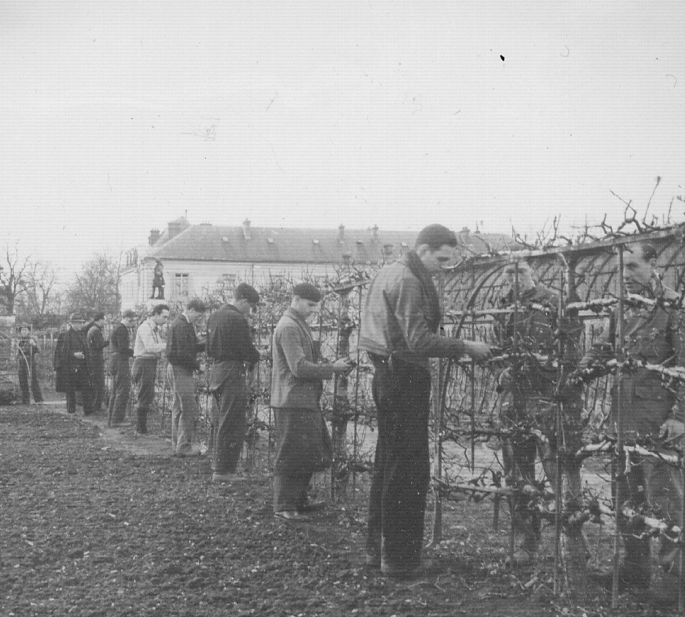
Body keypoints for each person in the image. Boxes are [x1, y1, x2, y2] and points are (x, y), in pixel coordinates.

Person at [358, 224, 492, 579]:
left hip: (386, 374)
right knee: (409, 469)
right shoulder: (408, 280)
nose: (443, 268)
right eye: (441, 259)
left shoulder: (387, 272)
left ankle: (379, 550)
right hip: (404, 376)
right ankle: (401, 561)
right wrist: (463, 346)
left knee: (388, 463)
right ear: (424, 250)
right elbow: (417, 340)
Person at [582, 242, 685, 606]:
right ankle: (634, 569)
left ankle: (675, 586)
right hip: (624, 421)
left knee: (665, 502)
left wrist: (680, 416)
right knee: (627, 499)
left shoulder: (672, 307)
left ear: (654, 264)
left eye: (633, 267)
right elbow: (605, 347)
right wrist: (580, 370)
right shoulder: (622, 308)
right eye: (621, 269)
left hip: (658, 424)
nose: (625, 276)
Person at [494, 260, 585, 567]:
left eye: (520, 271)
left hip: (547, 398)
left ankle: (573, 546)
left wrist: (548, 368)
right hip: (514, 401)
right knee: (518, 474)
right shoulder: (502, 306)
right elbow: (496, 350)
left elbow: (572, 346)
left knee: (557, 469)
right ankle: (525, 543)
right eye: (508, 272)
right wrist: (501, 372)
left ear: (533, 271)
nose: (514, 278)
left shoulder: (554, 301)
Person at [270, 283, 353, 520]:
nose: (312, 311)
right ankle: (285, 506)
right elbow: (298, 367)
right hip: (292, 400)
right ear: (296, 300)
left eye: (316, 307)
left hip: (301, 399)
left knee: (308, 450)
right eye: (310, 305)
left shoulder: (297, 324)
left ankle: (298, 500)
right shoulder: (288, 327)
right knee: (291, 452)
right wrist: (332, 368)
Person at [206, 283, 261, 482]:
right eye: (251, 306)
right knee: (232, 421)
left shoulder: (215, 315)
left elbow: (209, 349)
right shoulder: (238, 319)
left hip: (217, 370)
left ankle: (218, 465)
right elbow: (246, 349)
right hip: (232, 371)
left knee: (222, 419)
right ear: (244, 301)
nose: (250, 311)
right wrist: (257, 356)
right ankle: (223, 471)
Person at [165, 298, 208, 456]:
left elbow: (192, 347)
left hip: (177, 368)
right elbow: (183, 353)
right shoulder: (182, 325)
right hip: (181, 370)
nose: (198, 318)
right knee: (188, 407)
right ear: (190, 309)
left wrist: (207, 343)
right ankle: (184, 447)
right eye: (198, 314)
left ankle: (177, 444)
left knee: (178, 406)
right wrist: (198, 366)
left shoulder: (182, 323)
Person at [132, 304, 170, 434]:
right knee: (144, 393)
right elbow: (150, 347)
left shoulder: (154, 329)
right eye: (164, 317)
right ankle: (140, 428)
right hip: (144, 362)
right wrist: (168, 345)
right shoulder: (145, 328)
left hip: (150, 362)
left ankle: (141, 427)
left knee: (147, 394)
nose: (166, 320)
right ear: (156, 314)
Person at [54, 312, 94, 415]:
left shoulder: (81, 335)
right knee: (70, 390)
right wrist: (73, 354)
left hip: (82, 367)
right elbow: (61, 352)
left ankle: (88, 411)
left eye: (82, 323)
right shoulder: (65, 336)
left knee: (86, 388)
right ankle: (71, 411)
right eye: (79, 323)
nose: (81, 325)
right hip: (70, 367)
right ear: (73, 323)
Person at [108, 310, 136, 425]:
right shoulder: (122, 329)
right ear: (129, 319)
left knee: (115, 390)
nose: (133, 323)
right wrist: (135, 352)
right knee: (123, 390)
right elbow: (123, 348)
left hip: (114, 359)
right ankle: (117, 420)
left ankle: (112, 418)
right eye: (133, 320)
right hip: (120, 360)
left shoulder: (117, 327)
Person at [86, 313, 109, 412]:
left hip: (93, 358)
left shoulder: (92, 329)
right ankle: (96, 406)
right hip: (96, 360)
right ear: (99, 320)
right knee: (98, 382)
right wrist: (109, 341)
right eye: (104, 320)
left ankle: (95, 405)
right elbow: (99, 345)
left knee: (95, 382)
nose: (105, 322)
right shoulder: (95, 330)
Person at [16, 323, 43, 404]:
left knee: (33, 380)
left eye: (25, 330)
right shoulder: (20, 340)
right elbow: (17, 353)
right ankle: (25, 400)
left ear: (29, 331)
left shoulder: (33, 338)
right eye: (22, 330)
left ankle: (38, 400)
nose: (23, 332)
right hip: (21, 362)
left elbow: (39, 350)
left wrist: (34, 344)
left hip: (30, 361)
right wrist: (16, 345)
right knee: (22, 380)